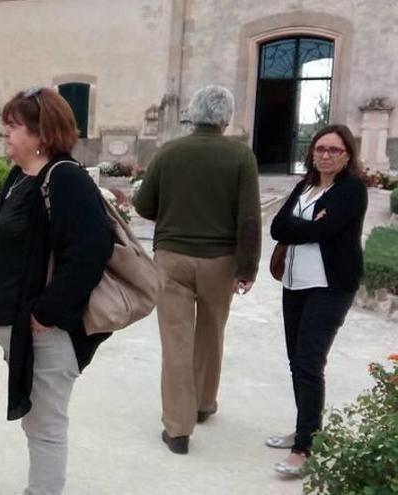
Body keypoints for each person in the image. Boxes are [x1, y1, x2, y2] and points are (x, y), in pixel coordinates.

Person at [0, 87, 115, 495]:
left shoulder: (65, 179)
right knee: (38, 423)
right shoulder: (20, 176)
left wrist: (46, 313)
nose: (6, 134)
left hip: (46, 334)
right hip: (18, 330)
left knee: (46, 427)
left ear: (42, 133)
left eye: (14, 126)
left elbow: (89, 253)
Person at [133, 85, 261, 454]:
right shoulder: (241, 156)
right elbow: (249, 218)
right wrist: (247, 267)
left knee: (176, 341)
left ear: (193, 113)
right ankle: (204, 403)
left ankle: (177, 429)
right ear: (226, 117)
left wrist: (173, 210)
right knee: (211, 333)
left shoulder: (170, 151)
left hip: (172, 256)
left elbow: (144, 205)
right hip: (220, 260)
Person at [267, 124, 367, 476]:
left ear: (347, 155)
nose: (325, 155)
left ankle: (304, 447)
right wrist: (305, 227)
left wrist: (302, 227)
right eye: (320, 148)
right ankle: (305, 426)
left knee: (309, 362)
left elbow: (325, 231)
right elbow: (277, 228)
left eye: (334, 150)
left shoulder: (352, 190)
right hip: (295, 284)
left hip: (330, 287)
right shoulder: (305, 185)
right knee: (297, 361)